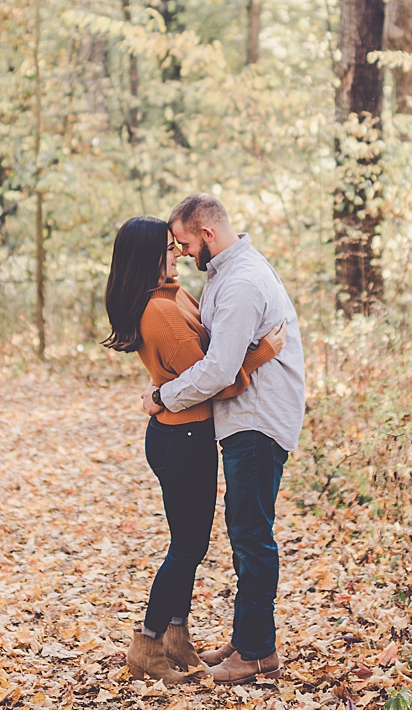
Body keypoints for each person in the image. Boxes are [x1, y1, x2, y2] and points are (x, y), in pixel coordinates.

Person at [102, 215, 284, 682]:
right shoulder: (159, 310)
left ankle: (177, 638)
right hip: (181, 438)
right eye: (169, 248)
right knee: (186, 547)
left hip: (186, 434)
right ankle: (147, 642)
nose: (178, 254)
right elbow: (211, 382)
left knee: (192, 544)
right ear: (148, 257)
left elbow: (196, 366)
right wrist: (261, 353)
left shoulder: (172, 295)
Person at [143, 193, 306, 684]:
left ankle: (257, 650)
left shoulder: (240, 283)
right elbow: (209, 352)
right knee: (245, 531)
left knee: (252, 535)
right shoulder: (224, 276)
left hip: (256, 421)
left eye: (187, 243)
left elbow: (217, 368)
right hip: (244, 418)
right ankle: (249, 635)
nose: (185, 254)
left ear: (207, 235)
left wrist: (163, 396)